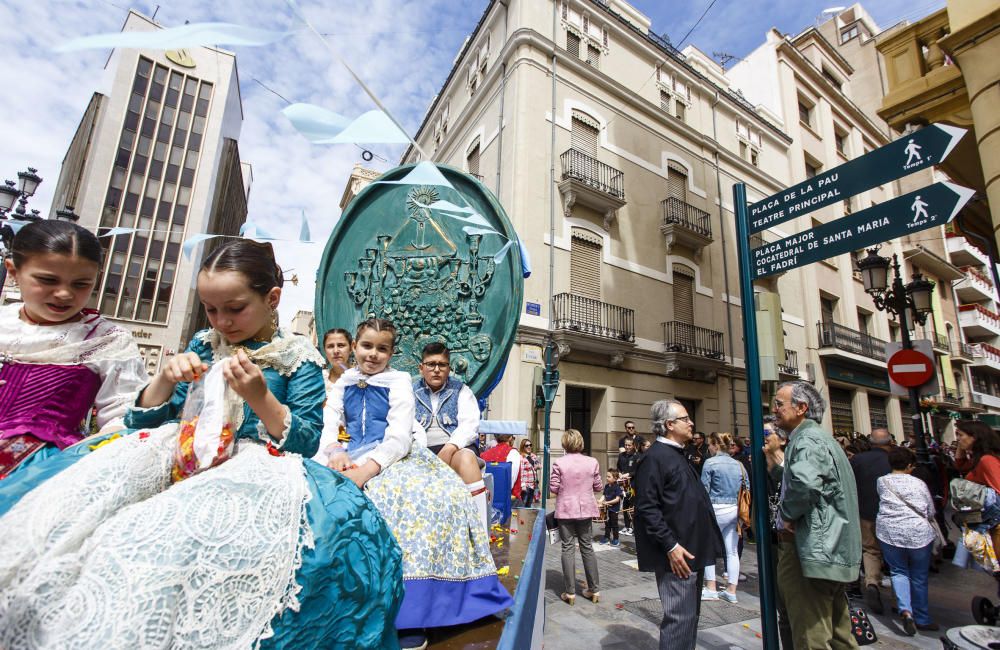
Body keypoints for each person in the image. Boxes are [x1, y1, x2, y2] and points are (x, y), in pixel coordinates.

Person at [0, 239, 404, 648]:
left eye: (234, 308)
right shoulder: (203, 344)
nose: (221, 321)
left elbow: (303, 438)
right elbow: (150, 418)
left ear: (272, 298)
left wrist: (260, 397)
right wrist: (165, 378)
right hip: (178, 450)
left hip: (253, 462)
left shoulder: (297, 356)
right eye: (211, 309)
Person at [317, 318, 512, 650]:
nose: (373, 354)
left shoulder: (400, 381)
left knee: (421, 499)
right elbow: (330, 426)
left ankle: (412, 610)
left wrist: (366, 470)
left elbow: (398, 437)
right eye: (367, 346)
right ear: (354, 347)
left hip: (392, 455)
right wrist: (334, 452)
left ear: (392, 352)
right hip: (349, 454)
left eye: (382, 348)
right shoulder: (343, 382)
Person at [0, 220, 146, 475]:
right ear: (13, 271)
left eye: (80, 284)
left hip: (42, 467)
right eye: (48, 280)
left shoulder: (107, 339)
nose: (64, 294)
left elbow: (122, 415)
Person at [772, 380, 861, 649]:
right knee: (838, 633)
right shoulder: (822, 439)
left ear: (801, 408)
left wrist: (786, 515)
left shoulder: (807, 440)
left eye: (778, 403)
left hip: (812, 549)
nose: (773, 409)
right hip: (832, 548)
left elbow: (806, 484)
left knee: (811, 634)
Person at [634, 400, 724, 649]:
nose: (692, 422)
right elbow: (647, 507)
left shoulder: (678, 454)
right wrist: (671, 545)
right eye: (686, 418)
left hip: (691, 551)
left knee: (689, 619)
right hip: (676, 556)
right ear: (669, 424)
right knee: (679, 621)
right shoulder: (655, 458)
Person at [412, 342, 488, 523]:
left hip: (455, 449)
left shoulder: (461, 390)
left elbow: (470, 424)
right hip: (420, 449)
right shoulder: (409, 390)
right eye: (431, 364)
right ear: (421, 367)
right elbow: (405, 423)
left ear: (449, 368)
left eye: (442, 365)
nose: (436, 369)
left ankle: (480, 531)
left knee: (466, 459)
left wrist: (449, 448)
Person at [876, 447, 939, 635]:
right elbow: (930, 510)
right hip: (918, 534)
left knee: (898, 571)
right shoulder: (919, 483)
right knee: (919, 577)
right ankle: (922, 616)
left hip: (890, 532)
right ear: (910, 465)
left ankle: (906, 610)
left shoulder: (882, 481)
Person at [550, 428, 602, 605]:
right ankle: (594, 590)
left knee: (568, 548)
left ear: (565, 443)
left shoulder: (559, 463)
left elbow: (553, 488)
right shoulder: (592, 462)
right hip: (586, 509)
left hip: (566, 509)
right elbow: (598, 486)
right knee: (587, 547)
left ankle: (570, 592)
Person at [850, 427, 893, 614]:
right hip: (892, 515)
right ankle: (903, 600)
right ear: (889, 443)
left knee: (868, 549)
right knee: (893, 557)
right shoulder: (895, 460)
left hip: (864, 512)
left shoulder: (858, 460)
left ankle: (868, 582)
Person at [700, 432, 746, 604]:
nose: (709, 448)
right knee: (732, 550)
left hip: (716, 508)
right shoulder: (738, 464)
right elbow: (746, 487)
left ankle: (711, 588)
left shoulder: (710, 463)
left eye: (710, 445)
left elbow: (704, 489)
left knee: (708, 548)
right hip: (735, 509)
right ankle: (731, 591)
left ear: (716, 445)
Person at [762, 416, 795, 650]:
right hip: (772, 543)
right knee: (782, 609)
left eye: (765, 435)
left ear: (782, 440)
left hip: (793, 544)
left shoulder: (794, 466)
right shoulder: (761, 467)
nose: (760, 440)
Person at [482, 433, 523, 506]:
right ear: (510, 438)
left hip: (488, 500)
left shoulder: (484, 454)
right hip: (509, 502)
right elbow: (510, 481)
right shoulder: (513, 453)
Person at [617, 437, 640, 535]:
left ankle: (635, 528)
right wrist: (619, 474)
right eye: (625, 445)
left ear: (633, 445)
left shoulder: (637, 456)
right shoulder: (621, 455)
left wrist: (629, 474)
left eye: (629, 445)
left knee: (633, 506)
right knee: (625, 505)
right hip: (624, 485)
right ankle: (627, 526)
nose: (627, 447)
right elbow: (618, 466)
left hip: (634, 484)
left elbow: (638, 470)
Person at [600, 468, 623, 546]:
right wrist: (600, 501)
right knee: (607, 524)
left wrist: (607, 502)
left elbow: (617, 499)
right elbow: (604, 495)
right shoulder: (606, 486)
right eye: (607, 476)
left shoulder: (617, 487)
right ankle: (606, 537)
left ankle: (616, 539)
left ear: (615, 478)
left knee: (614, 524)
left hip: (614, 509)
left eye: (609, 477)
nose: (607, 478)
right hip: (607, 509)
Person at [518, 439, 539, 507]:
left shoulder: (533, 456)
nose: (529, 447)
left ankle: (526, 517)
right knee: (523, 505)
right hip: (526, 486)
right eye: (527, 445)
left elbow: (539, 465)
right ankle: (522, 518)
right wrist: (522, 484)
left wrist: (537, 465)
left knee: (529, 505)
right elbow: (520, 471)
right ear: (523, 447)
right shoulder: (521, 457)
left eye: (530, 445)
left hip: (533, 485)